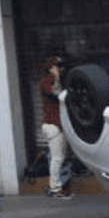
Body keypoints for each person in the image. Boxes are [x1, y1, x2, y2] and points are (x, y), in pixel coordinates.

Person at [40, 56, 73, 199]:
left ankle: (57, 186)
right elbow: (55, 93)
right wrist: (56, 76)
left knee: (59, 157)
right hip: (53, 125)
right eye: (58, 66)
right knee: (57, 158)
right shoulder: (48, 81)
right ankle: (55, 188)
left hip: (58, 124)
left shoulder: (58, 81)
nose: (61, 69)